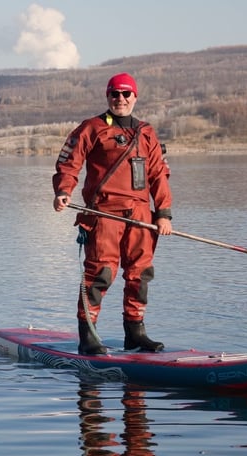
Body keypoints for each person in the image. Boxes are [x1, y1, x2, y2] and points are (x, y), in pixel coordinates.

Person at [52, 72, 173, 354]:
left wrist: (164, 213)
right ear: (108, 97)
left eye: (126, 94)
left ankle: (135, 333)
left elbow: (159, 175)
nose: (120, 99)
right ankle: (89, 337)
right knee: (100, 274)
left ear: (135, 97)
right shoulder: (91, 128)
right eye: (114, 94)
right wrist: (63, 191)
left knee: (140, 275)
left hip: (142, 217)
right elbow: (69, 164)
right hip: (104, 214)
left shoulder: (147, 132)